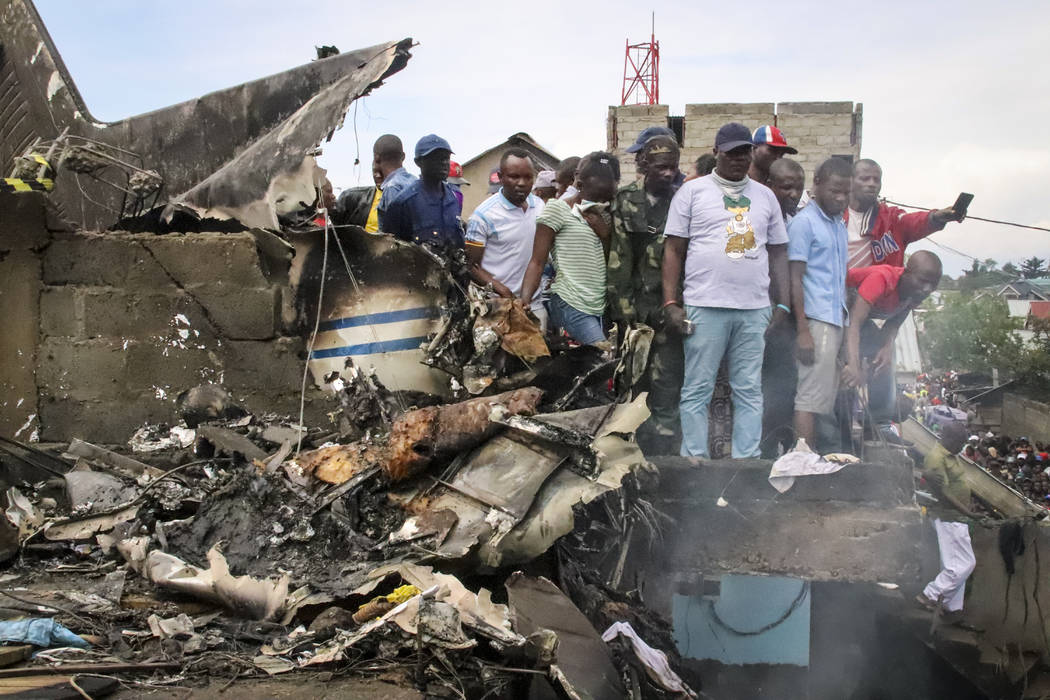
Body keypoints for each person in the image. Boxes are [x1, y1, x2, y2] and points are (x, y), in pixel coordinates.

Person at [662, 122, 790, 458]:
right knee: (697, 389)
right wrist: (671, 303)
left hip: (754, 309)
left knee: (748, 389)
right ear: (716, 152)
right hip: (705, 304)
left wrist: (783, 305)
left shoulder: (766, 198)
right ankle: (695, 458)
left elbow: (778, 253)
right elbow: (674, 249)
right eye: (731, 152)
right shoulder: (692, 192)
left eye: (744, 151)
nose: (738, 158)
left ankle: (745, 462)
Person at [607, 135, 684, 448]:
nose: (668, 174)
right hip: (635, 308)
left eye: (673, 167)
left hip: (670, 307)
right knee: (633, 380)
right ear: (643, 165)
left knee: (668, 379)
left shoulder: (682, 200)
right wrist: (624, 314)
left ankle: (666, 447)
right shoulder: (625, 201)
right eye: (661, 167)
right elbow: (619, 260)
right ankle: (628, 445)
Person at [521, 152, 620, 345]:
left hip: (600, 305)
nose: (601, 201)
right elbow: (537, 261)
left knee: (596, 364)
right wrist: (524, 302)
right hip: (570, 301)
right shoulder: (558, 210)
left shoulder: (607, 215)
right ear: (580, 186)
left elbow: (611, 261)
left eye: (607, 195)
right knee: (602, 355)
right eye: (597, 194)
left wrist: (605, 235)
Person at [787, 158, 852, 447]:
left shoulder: (839, 225)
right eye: (835, 190)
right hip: (816, 321)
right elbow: (794, 278)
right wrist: (803, 331)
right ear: (817, 185)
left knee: (822, 398)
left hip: (835, 320)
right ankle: (804, 462)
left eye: (846, 192)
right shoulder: (804, 223)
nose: (841, 198)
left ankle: (812, 459)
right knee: (809, 398)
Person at [842, 251, 943, 392]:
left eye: (933, 284)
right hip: (835, 314)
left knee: (885, 359)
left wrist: (886, 347)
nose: (927, 289)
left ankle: (880, 410)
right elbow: (854, 322)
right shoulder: (882, 279)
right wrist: (853, 364)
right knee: (848, 367)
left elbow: (893, 325)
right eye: (922, 280)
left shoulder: (914, 295)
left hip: (857, 322)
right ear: (906, 273)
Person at [846, 159, 965, 269]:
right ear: (850, 181)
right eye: (865, 178)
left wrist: (936, 217)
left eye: (876, 180)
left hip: (877, 291)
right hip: (837, 288)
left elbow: (912, 221)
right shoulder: (834, 216)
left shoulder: (891, 218)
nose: (872, 184)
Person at [917, 422, 979, 616]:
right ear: (950, 439)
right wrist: (969, 513)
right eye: (960, 442)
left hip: (956, 517)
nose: (962, 447)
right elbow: (943, 493)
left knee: (955, 565)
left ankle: (951, 607)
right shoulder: (937, 458)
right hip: (948, 516)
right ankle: (930, 595)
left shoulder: (950, 455)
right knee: (963, 565)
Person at [464, 149, 540, 299]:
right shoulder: (483, 216)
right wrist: (502, 291)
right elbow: (470, 266)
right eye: (514, 177)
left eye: (528, 177)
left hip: (534, 302)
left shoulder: (540, 207)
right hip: (498, 305)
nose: (522, 183)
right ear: (500, 177)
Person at [382, 134, 464, 249]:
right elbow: (390, 251)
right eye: (436, 158)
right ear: (418, 162)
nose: (444, 162)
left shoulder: (453, 198)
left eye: (446, 158)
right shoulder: (403, 203)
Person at [367, 135, 417, 232]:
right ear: (403, 156)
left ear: (376, 158)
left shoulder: (392, 189)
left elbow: (393, 236)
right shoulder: (415, 182)